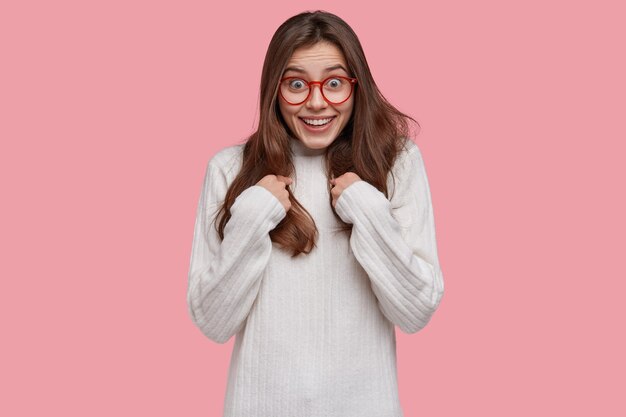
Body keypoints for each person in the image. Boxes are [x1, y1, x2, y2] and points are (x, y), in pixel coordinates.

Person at [186, 10, 445, 417]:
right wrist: (252, 217)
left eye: (335, 83)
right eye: (296, 84)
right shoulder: (229, 170)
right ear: (274, 89)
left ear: (356, 87)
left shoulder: (396, 163)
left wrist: (368, 209)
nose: (317, 101)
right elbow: (212, 323)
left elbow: (416, 312)